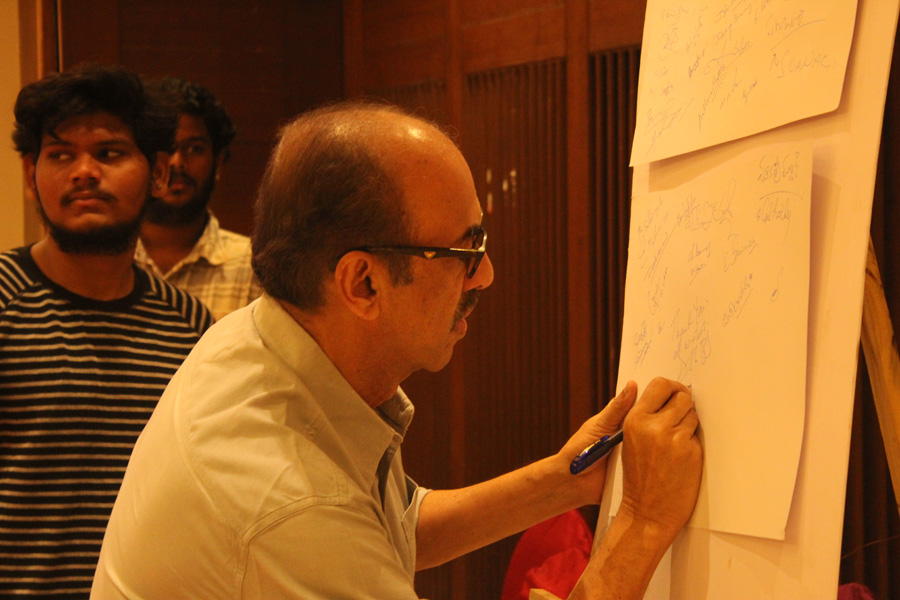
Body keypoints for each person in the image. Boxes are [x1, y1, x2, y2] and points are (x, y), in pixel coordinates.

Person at [92, 103, 702, 600]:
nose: (486, 274)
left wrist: (564, 480)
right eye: (464, 252)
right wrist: (642, 520)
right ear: (362, 283)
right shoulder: (291, 506)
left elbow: (392, 528)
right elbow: (328, 524)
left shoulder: (257, 339)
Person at [0, 64, 213, 599]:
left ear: (159, 174)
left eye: (110, 153)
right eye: (60, 155)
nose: (83, 172)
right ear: (30, 175)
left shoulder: (191, 328)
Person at [135, 77, 262, 320]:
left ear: (218, 162)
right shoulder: (107, 262)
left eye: (195, 149)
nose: (177, 162)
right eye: (165, 148)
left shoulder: (255, 268)